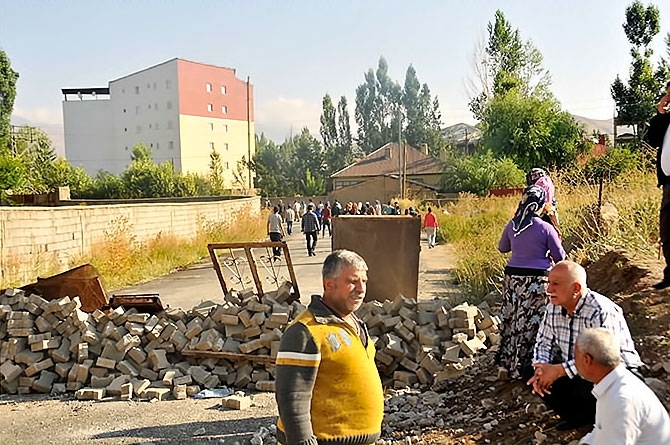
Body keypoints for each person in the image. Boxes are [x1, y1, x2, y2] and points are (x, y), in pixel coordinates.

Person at [275, 250, 384, 445]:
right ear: (329, 284)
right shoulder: (305, 331)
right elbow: (292, 397)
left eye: (364, 281)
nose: (361, 289)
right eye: (353, 281)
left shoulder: (352, 321)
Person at [527, 260, 644, 430]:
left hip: (614, 371)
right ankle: (578, 418)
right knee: (529, 372)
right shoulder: (553, 307)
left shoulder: (599, 310)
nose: (549, 289)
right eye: (549, 283)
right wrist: (541, 368)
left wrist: (558, 371)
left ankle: (603, 420)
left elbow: (603, 358)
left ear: (576, 288)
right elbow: (543, 343)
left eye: (556, 284)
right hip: (578, 369)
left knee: (593, 380)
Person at [497, 185, 566, 380]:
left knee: (514, 318)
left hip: (512, 279)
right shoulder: (545, 228)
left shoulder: (512, 224)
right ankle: (529, 366)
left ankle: (510, 363)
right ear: (541, 204)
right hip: (537, 279)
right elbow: (560, 256)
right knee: (533, 322)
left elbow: (503, 248)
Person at [575, 328, 670, 444]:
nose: (574, 363)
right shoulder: (614, 384)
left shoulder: (621, 399)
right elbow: (601, 433)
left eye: (575, 357)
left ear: (586, 360)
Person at [646, 80, 670, 290]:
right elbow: (651, 140)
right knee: (667, 229)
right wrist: (660, 114)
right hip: (668, 184)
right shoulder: (666, 120)